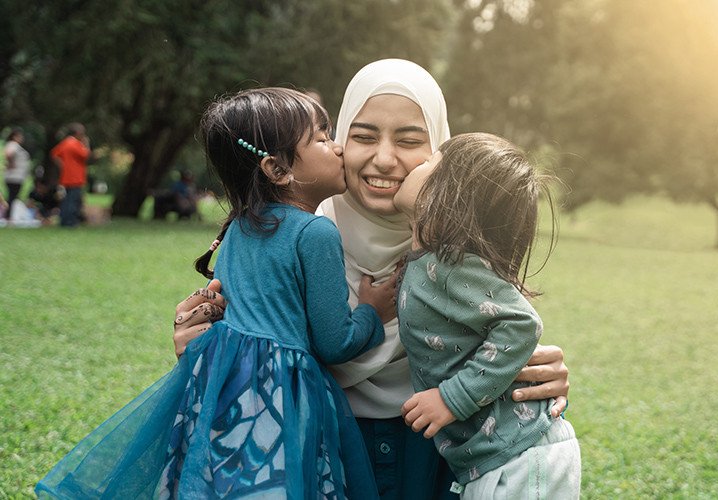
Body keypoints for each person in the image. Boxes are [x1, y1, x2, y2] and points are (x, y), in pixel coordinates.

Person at [173, 59, 571, 499]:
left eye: (410, 140)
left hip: (442, 457)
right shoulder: (290, 238)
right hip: (316, 444)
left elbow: (512, 335)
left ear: (439, 147)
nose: (384, 159)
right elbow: (244, 349)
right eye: (362, 136)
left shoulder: (463, 249)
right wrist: (200, 342)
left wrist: (539, 374)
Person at [36, 88, 396, 498]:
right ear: (277, 169)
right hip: (281, 391)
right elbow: (333, 343)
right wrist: (371, 310)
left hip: (220, 383)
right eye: (321, 138)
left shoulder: (238, 227)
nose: (337, 148)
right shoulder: (315, 232)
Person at [394, 133, 581, 498]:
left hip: (520, 456)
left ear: (443, 195)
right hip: (500, 458)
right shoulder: (429, 264)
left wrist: (452, 398)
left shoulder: (449, 263)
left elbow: (522, 324)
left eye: (429, 162)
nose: (415, 166)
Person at [50, 123, 91, 227]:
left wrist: (63, 165)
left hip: (66, 176)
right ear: (78, 133)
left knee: (66, 200)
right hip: (75, 177)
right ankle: (70, 222)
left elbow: (54, 154)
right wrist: (86, 144)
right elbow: (85, 155)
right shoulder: (75, 143)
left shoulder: (65, 142)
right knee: (73, 200)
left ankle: (64, 220)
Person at [4, 127, 31, 221]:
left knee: (12, 196)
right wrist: (11, 163)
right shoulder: (13, 144)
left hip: (17, 176)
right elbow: (8, 154)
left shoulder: (14, 145)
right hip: (14, 176)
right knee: (12, 197)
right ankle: (9, 217)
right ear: (15, 137)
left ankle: (9, 216)